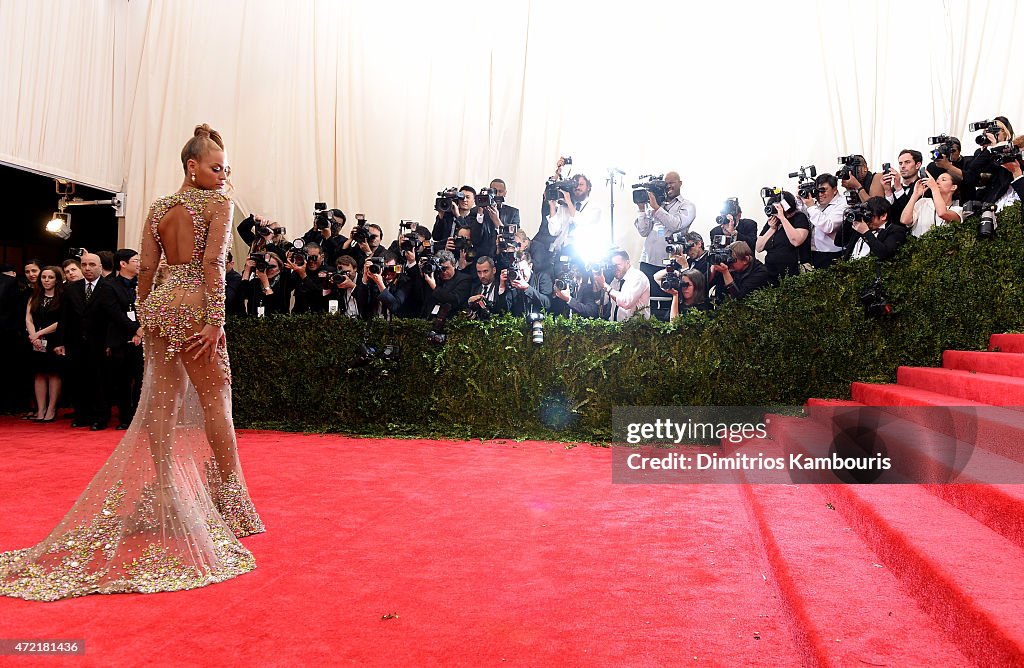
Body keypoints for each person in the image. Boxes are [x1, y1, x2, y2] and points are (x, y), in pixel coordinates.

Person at [0, 124, 263, 601]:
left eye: (226, 169)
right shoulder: (218, 206)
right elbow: (211, 265)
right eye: (217, 167)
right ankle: (232, 507)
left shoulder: (161, 207)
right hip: (197, 304)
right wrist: (215, 319)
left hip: (161, 303)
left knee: (160, 400)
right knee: (216, 402)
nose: (224, 176)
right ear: (193, 166)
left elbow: (146, 268)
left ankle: (166, 491)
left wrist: (145, 313)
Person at [25, 266, 65, 422]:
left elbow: (61, 321)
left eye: (50, 277)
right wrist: (33, 335)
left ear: (57, 279)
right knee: (39, 373)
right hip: (35, 340)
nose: (46, 280)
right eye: (44, 277)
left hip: (54, 339)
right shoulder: (35, 295)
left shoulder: (62, 297)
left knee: (53, 373)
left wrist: (39, 334)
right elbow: (28, 318)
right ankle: (40, 409)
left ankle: (51, 408)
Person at [756, 191, 811, 282]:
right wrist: (772, 229)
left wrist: (783, 218)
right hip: (772, 273)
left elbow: (796, 241)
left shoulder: (799, 217)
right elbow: (758, 247)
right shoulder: (773, 221)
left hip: (794, 272)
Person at [593, 249, 650, 321]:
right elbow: (602, 301)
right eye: (613, 266)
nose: (615, 269)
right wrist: (597, 285)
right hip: (616, 327)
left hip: (636, 328)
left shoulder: (637, 277)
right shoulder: (616, 280)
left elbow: (626, 302)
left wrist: (605, 285)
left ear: (628, 262)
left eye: (618, 265)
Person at [900, 172, 963, 237]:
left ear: (953, 187)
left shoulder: (958, 210)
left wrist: (934, 188)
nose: (937, 182)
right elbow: (904, 220)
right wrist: (915, 195)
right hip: (918, 245)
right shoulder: (923, 202)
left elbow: (942, 213)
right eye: (937, 180)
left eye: (943, 180)